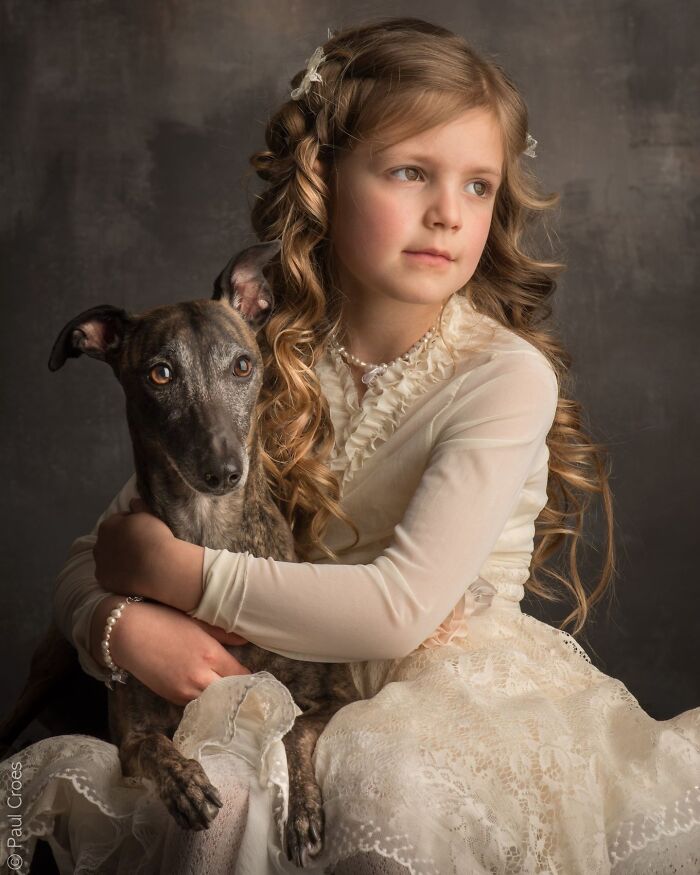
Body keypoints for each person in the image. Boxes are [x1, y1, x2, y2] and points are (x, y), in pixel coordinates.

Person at [2, 15, 698, 875]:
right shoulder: (259, 352)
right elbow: (108, 548)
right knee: (210, 808)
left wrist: (180, 578)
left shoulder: (502, 378)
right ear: (324, 179)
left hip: (438, 708)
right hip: (280, 698)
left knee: (392, 791)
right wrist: (114, 622)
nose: (448, 212)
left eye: (479, 186)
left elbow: (398, 609)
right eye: (411, 172)